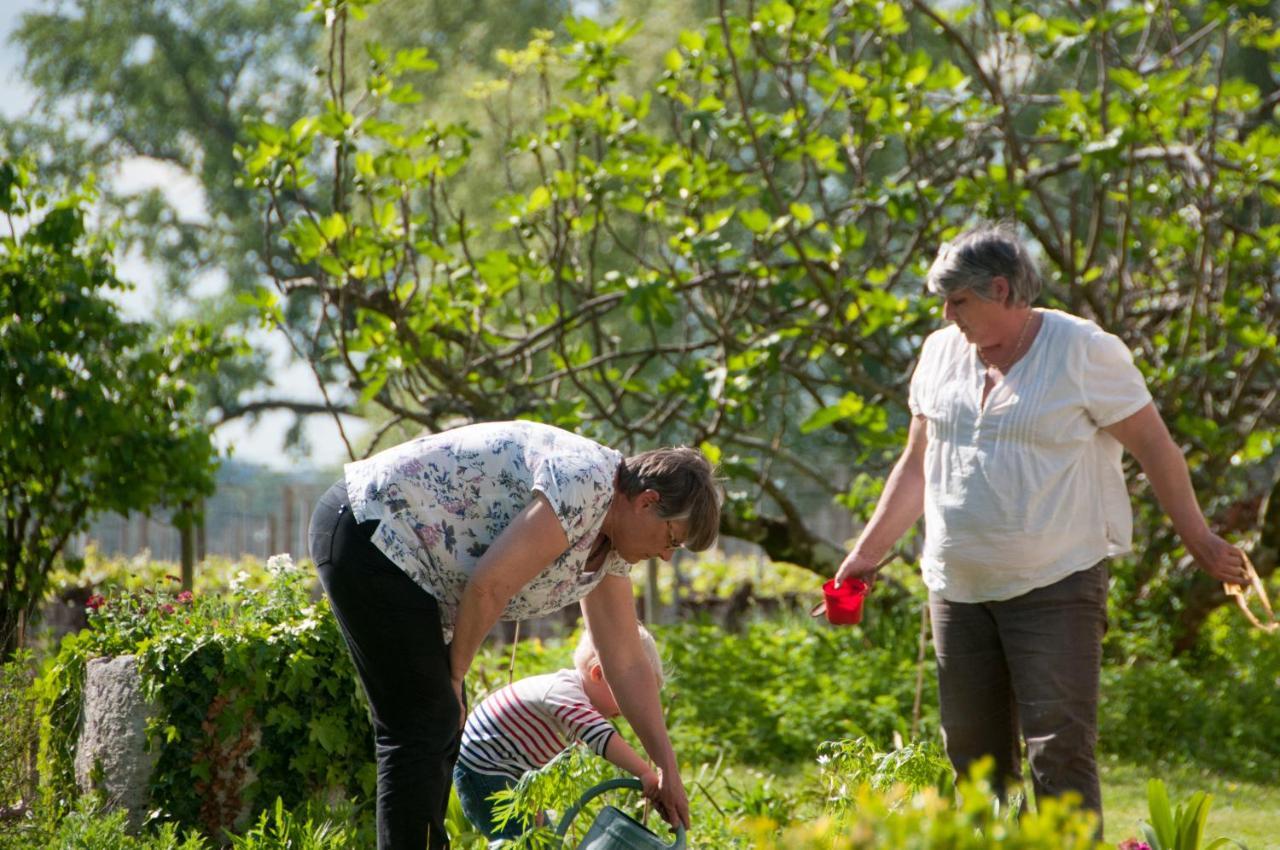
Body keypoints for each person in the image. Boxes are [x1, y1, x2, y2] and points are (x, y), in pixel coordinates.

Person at [834, 221, 1248, 829]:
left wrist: (1201, 540)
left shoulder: (1083, 351)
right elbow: (917, 464)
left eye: (960, 302)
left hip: (1056, 586)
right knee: (975, 764)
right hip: (958, 587)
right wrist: (864, 554)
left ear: (1001, 290)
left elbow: (1156, 448)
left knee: (1059, 753)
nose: (949, 316)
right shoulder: (939, 354)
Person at [307, 420, 720, 850]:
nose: (667, 557)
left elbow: (627, 662)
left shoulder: (612, 545)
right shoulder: (585, 483)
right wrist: (454, 678)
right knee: (425, 722)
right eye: (671, 538)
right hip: (372, 529)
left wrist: (666, 768)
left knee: (435, 724)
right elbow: (490, 585)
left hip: (411, 566)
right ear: (647, 502)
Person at [453, 626, 667, 840]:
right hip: (483, 771)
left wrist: (534, 798)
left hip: (510, 772)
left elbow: (540, 762)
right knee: (520, 843)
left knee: (545, 842)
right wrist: (645, 773)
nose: (630, 708)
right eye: (628, 695)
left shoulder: (576, 706)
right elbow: (602, 737)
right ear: (599, 674)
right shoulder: (564, 693)